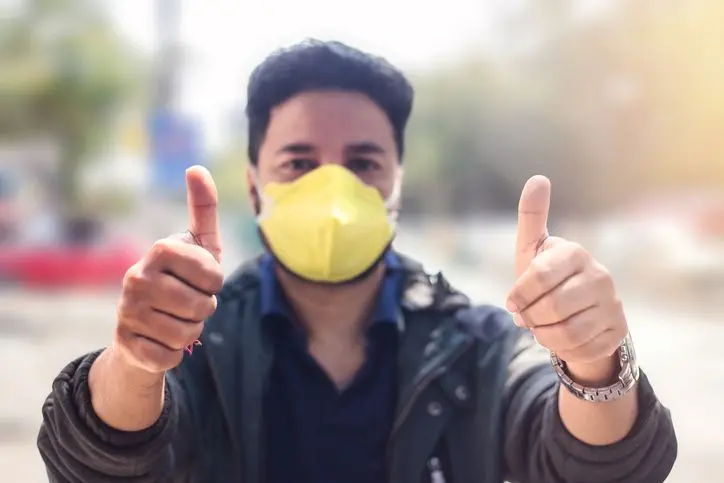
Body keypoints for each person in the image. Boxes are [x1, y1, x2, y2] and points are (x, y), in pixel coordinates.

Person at [37, 40, 677, 483]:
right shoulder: (202, 338)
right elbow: (96, 466)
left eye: (364, 163)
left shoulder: (476, 343)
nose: (334, 190)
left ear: (397, 185)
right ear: (254, 189)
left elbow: (603, 467)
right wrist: (137, 361)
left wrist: (593, 365)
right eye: (299, 163)